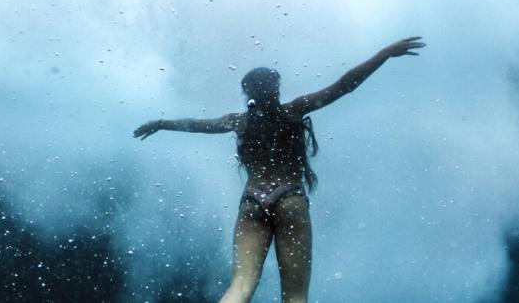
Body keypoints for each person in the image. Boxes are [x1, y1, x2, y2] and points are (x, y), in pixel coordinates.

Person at [133, 37, 426, 303]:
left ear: (247, 93)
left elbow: (196, 125)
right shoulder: (294, 111)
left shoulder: (238, 122)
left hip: (252, 200)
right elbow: (343, 86)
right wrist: (383, 54)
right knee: (295, 296)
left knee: (240, 286)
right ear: (276, 89)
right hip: (289, 199)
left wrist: (161, 123)